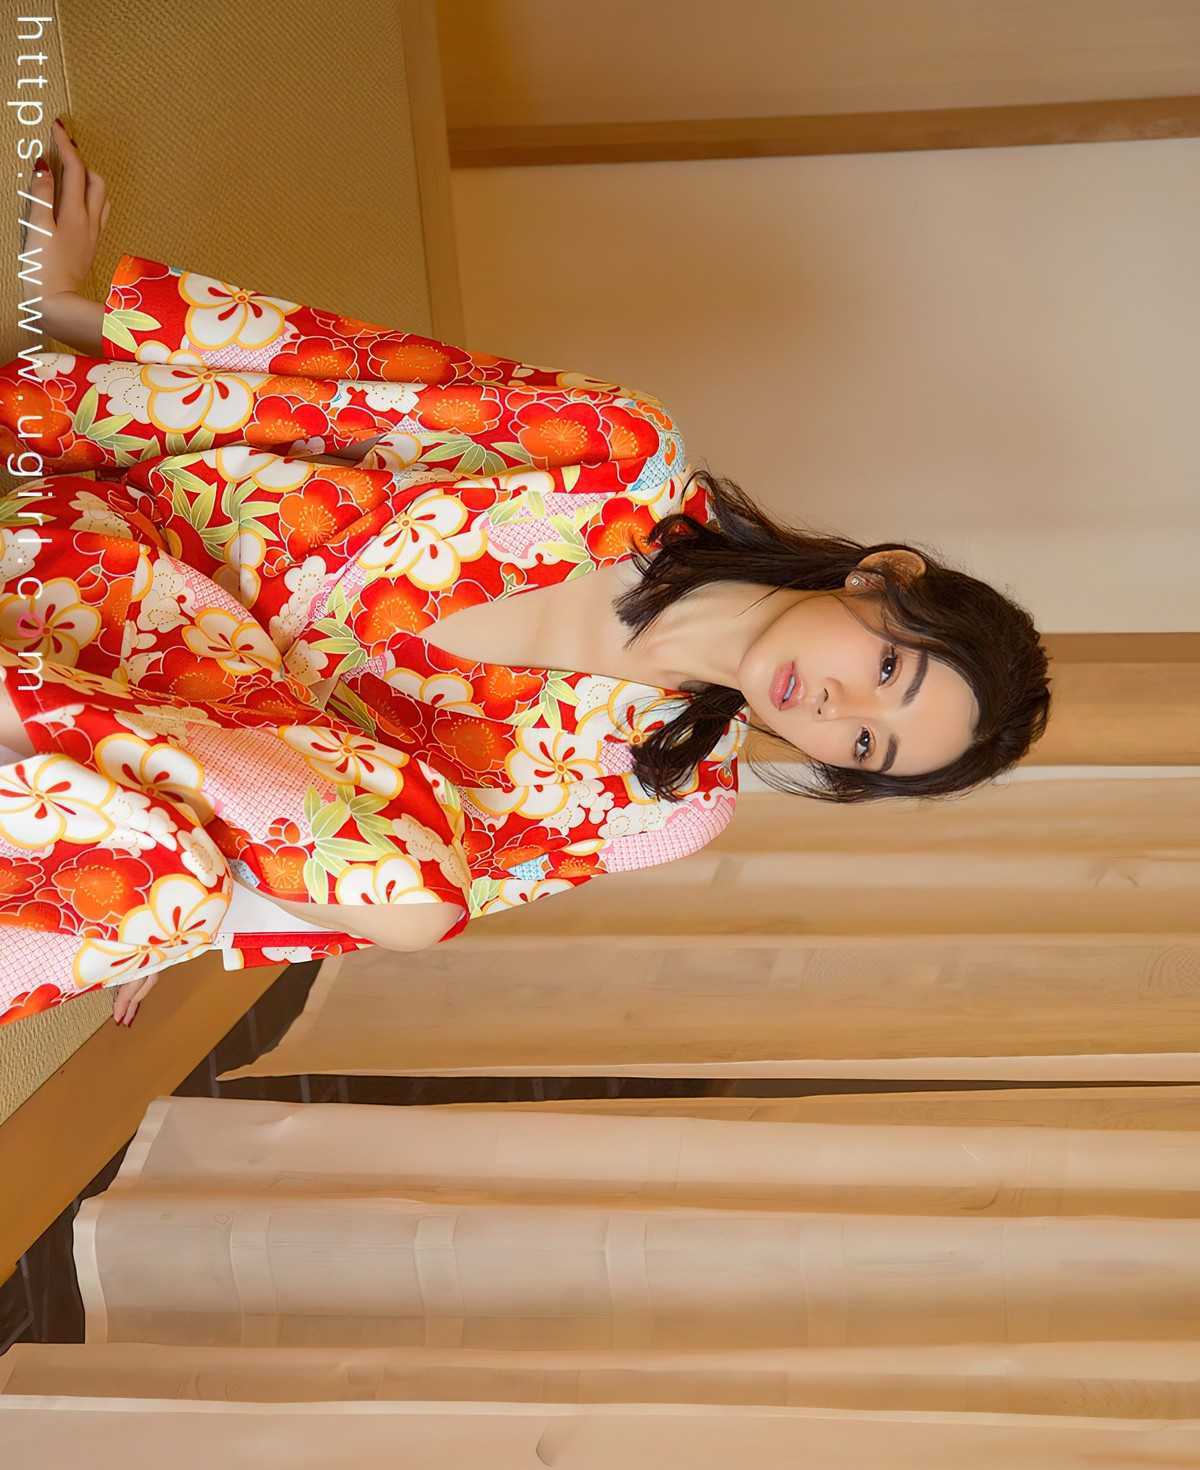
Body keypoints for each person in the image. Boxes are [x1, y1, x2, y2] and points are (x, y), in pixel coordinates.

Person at [0, 122, 1050, 1027]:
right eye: (887, 670)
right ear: (882, 579)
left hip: (151, 726)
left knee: (358, 895)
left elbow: (367, 867)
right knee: (391, 899)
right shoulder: (622, 453)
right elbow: (329, 391)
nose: (834, 707)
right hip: (120, 566)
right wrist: (56, 315)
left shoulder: (667, 804)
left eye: (865, 745)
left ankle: (89, 788)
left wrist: (185, 888)